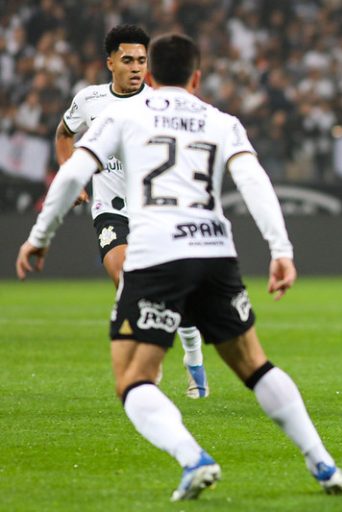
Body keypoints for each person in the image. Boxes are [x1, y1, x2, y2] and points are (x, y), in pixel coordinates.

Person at [17, 33, 342, 500]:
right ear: (196, 78)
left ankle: (193, 457)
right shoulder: (221, 120)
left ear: (150, 75)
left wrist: (39, 237)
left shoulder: (123, 113)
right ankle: (324, 463)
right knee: (256, 365)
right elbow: (254, 181)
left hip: (156, 253)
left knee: (132, 380)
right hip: (215, 251)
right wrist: (281, 250)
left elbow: (74, 171)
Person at [54, 25, 210, 399]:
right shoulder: (90, 100)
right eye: (128, 60)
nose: (136, 68)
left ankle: (193, 359)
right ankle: (149, 369)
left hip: (157, 212)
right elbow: (64, 133)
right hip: (112, 210)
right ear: (110, 63)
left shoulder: (161, 102)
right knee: (128, 282)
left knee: (176, 297)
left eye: (142, 60)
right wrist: (70, 175)